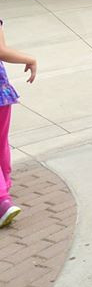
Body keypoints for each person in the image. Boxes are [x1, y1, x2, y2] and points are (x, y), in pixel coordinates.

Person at [0, 19, 38, 228]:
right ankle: (5, 187)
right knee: (1, 143)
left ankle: (2, 202)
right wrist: (29, 59)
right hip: (1, 93)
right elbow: (2, 50)